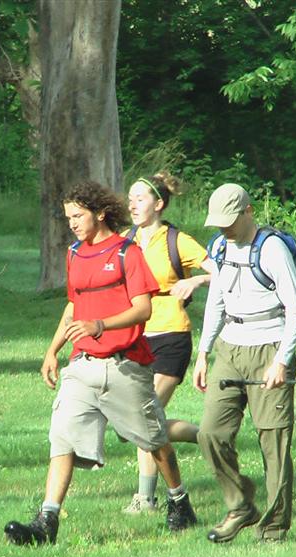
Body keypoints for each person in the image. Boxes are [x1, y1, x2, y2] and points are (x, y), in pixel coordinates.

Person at [4, 180, 197, 546]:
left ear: (100, 213)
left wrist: (101, 325)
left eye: (78, 216)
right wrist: (53, 349)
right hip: (82, 365)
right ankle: (47, 521)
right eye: (68, 217)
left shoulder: (128, 253)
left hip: (125, 366)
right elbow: (73, 306)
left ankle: (179, 501)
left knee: (154, 439)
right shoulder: (75, 253)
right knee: (61, 437)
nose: (72, 223)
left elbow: (143, 308)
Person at [192, 183, 296, 544]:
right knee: (210, 433)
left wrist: (281, 361)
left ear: (248, 211)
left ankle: (273, 529)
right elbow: (216, 302)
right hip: (229, 347)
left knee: (273, 442)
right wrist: (203, 352)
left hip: (269, 348)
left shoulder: (271, 248)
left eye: (230, 220)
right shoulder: (220, 247)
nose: (224, 228)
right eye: (219, 223)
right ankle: (240, 503)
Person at [121, 173, 216, 514]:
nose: (132, 204)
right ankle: (206, 435)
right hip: (134, 338)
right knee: (139, 420)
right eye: (130, 198)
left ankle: (145, 498)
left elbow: (224, 271)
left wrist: (197, 281)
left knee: (144, 417)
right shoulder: (124, 241)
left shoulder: (178, 240)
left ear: (158, 204)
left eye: (140, 198)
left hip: (171, 337)